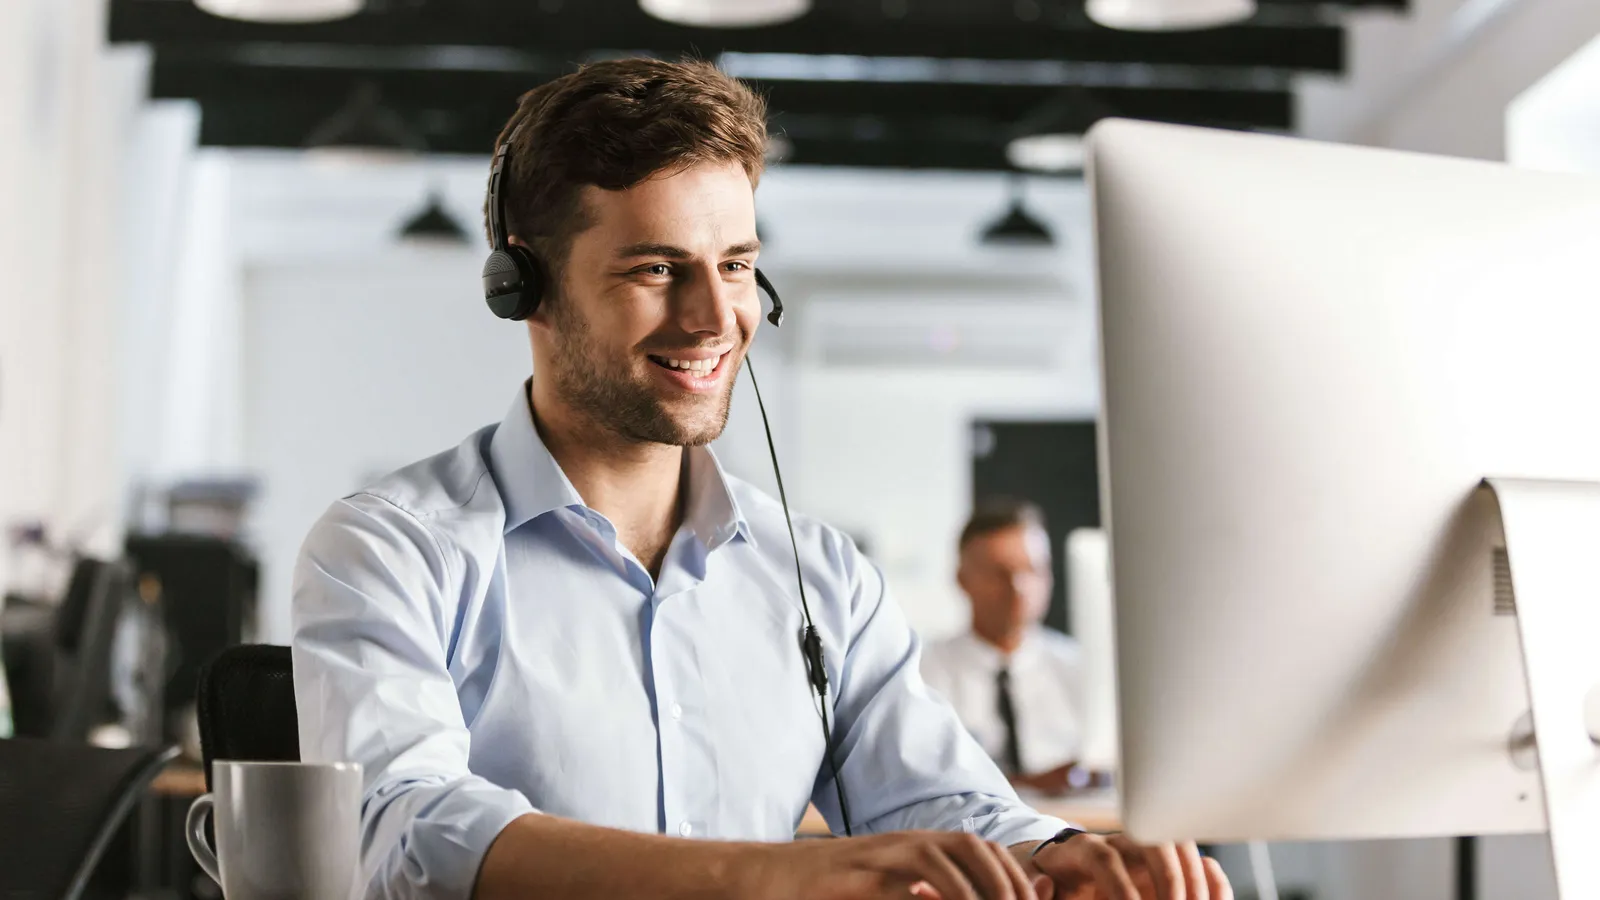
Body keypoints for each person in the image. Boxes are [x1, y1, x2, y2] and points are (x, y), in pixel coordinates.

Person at [291, 57, 1230, 900]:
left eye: (736, 266)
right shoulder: (389, 547)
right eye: (657, 268)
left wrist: (1050, 854)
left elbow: (937, 796)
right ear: (524, 289)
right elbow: (401, 831)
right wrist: (767, 873)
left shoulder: (820, 573)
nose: (714, 318)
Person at [922, 500, 1102, 797]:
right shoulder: (924, 675)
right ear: (962, 579)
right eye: (998, 572)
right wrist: (1026, 785)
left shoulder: (1083, 671)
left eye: (1032, 570)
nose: (1018, 587)